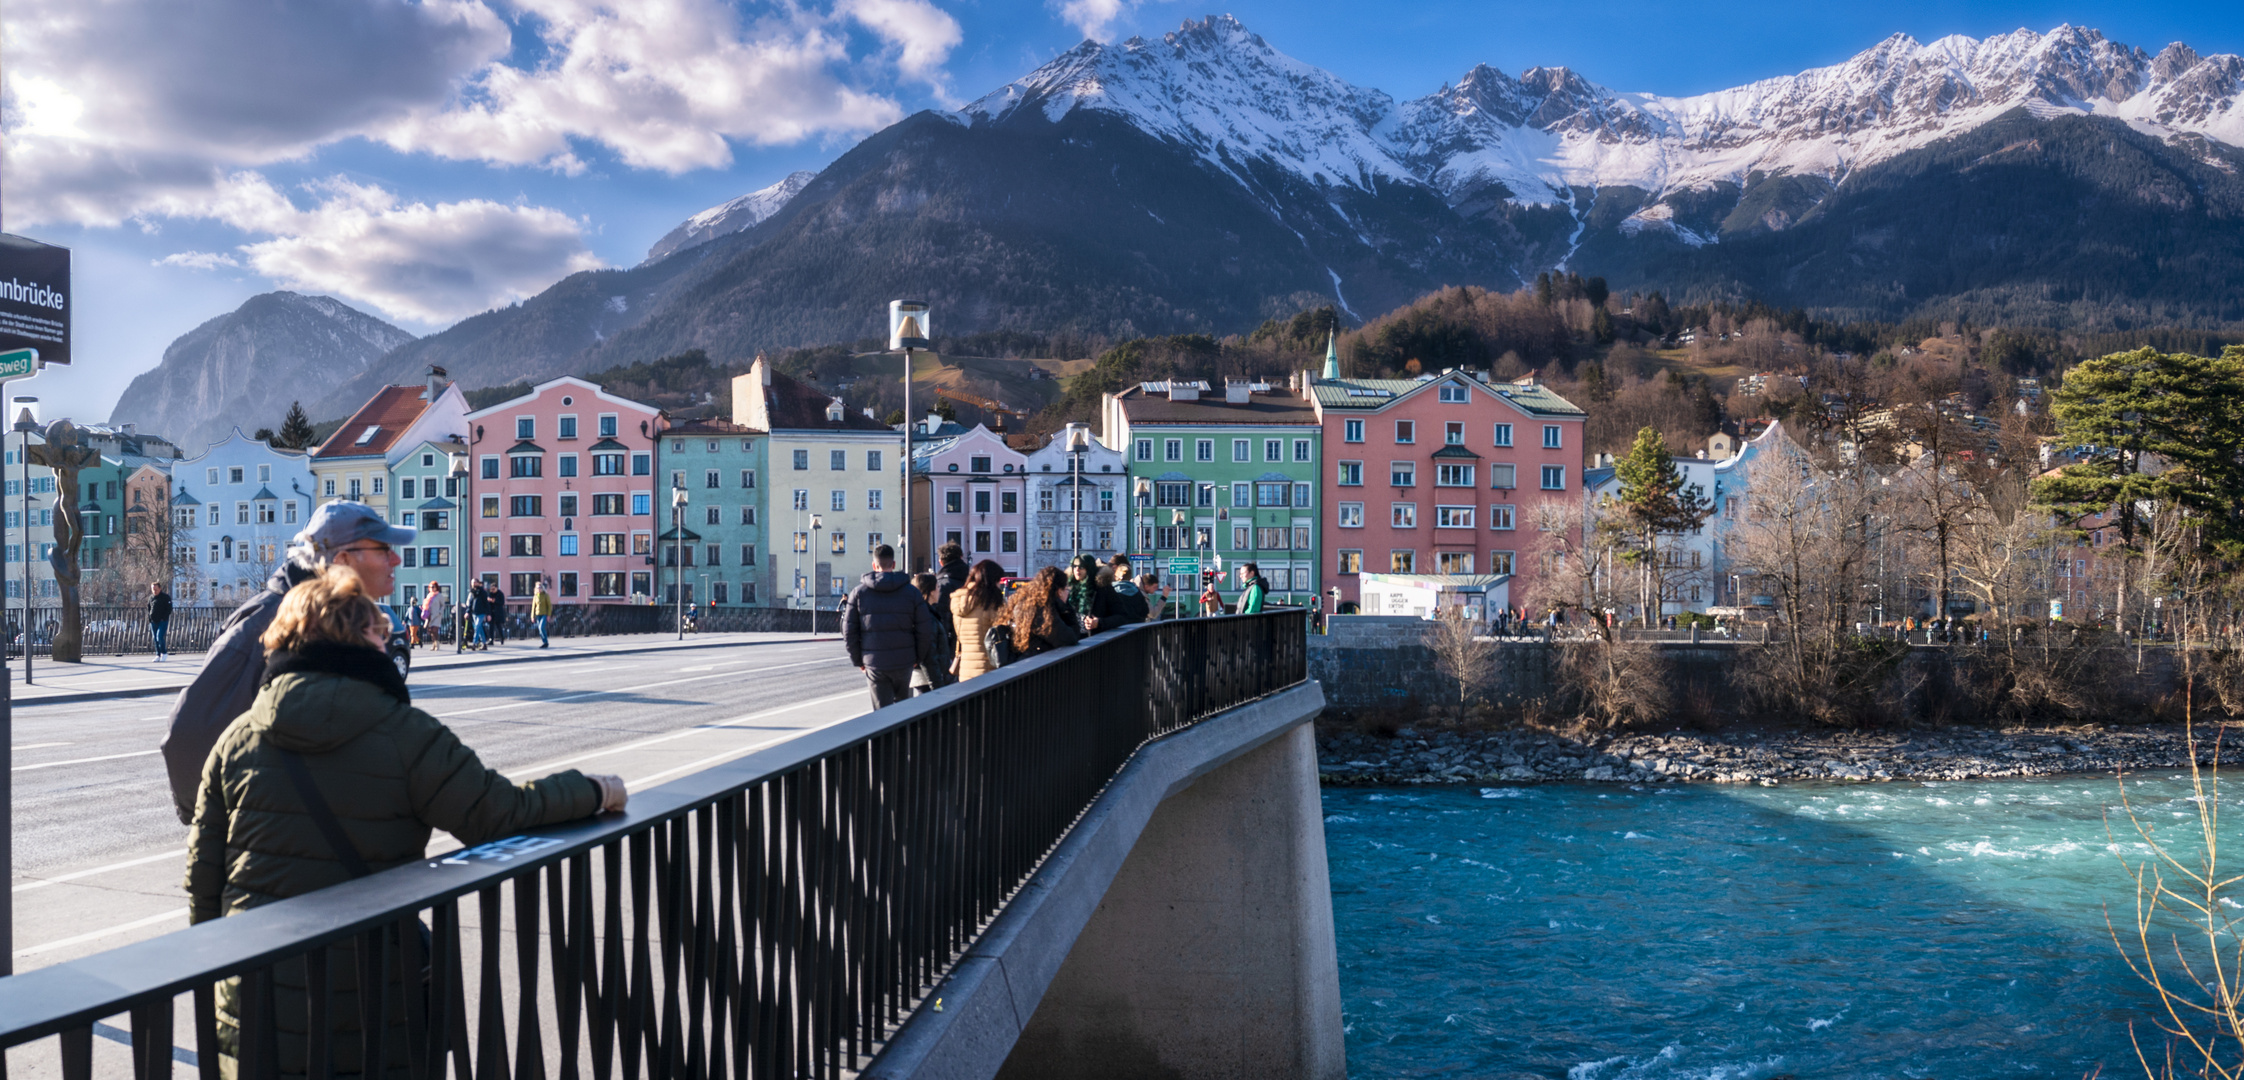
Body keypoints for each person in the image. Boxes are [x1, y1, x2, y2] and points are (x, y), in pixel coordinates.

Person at [185, 567, 626, 1076]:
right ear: (360, 640)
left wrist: (216, 978)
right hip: (368, 990)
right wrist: (593, 790)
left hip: (252, 994)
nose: (387, 642)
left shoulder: (237, 737)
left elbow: (203, 879)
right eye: (379, 632)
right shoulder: (405, 733)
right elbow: (497, 813)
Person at [160, 500, 412, 826]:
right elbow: (190, 735)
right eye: (383, 549)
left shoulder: (344, 622)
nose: (396, 559)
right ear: (343, 560)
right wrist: (227, 826)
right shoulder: (269, 623)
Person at [841, 544, 936, 708]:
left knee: (881, 714)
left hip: (875, 663)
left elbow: (849, 632)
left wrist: (859, 661)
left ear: (874, 565)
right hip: (904, 661)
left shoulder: (858, 593)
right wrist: (917, 657)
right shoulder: (911, 592)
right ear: (893, 564)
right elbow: (924, 629)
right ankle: (901, 734)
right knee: (902, 710)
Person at [1000, 566, 1081, 658]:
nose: (1068, 593)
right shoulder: (1043, 612)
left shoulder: (1026, 603)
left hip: (1025, 661)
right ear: (1059, 591)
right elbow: (1070, 637)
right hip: (1037, 664)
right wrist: (1067, 608)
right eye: (1067, 589)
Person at [950, 560, 1007, 681]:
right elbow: (1001, 633)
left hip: (966, 669)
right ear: (992, 580)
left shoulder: (959, 601)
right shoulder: (992, 603)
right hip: (989, 668)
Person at [908, 572, 953, 695]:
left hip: (924, 677)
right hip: (927, 680)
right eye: (938, 587)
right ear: (931, 592)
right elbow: (929, 656)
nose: (940, 591)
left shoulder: (919, 611)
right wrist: (937, 686)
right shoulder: (927, 616)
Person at [1066, 553, 1116, 634]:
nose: (1077, 569)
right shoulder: (1069, 588)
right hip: (1073, 639)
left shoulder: (1103, 588)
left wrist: (1099, 622)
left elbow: (1121, 616)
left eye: (1081, 567)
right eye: (1074, 566)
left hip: (1095, 640)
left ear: (1089, 568)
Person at [148, 581, 173, 662]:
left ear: (160, 588)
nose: (154, 591)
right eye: (153, 589)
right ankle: (158, 654)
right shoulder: (151, 598)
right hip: (153, 621)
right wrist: (150, 618)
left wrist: (164, 617)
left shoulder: (165, 597)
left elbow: (169, 609)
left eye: (156, 589)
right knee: (155, 638)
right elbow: (149, 608)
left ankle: (164, 653)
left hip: (162, 621)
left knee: (159, 636)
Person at [531, 579, 555, 647]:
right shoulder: (535, 596)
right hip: (538, 614)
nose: (539, 589)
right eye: (538, 588)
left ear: (542, 588)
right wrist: (532, 616)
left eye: (540, 587)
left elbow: (549, 605)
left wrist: (549, 615)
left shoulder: (545, 595)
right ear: (536, 589)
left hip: (544, 614)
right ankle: (544, 642)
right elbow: (533, 607)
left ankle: (545, 642)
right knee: (540, 629)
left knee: (541, 627)